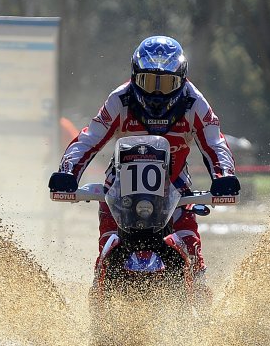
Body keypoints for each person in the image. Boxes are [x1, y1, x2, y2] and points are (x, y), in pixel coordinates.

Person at [48, 35, 240, 275]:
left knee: (193, 257)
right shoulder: (120, 99)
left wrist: (225, 177)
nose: (157, 93)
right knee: (106, 252)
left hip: (175, 184)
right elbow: (89, 139)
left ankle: (198, 302)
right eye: (149, 82)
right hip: (120, 184)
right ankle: (100, 294)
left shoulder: (195, 103)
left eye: (166, 84)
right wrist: (67, 172)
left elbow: (215, 143)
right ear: (134, 77)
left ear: (181, 80)